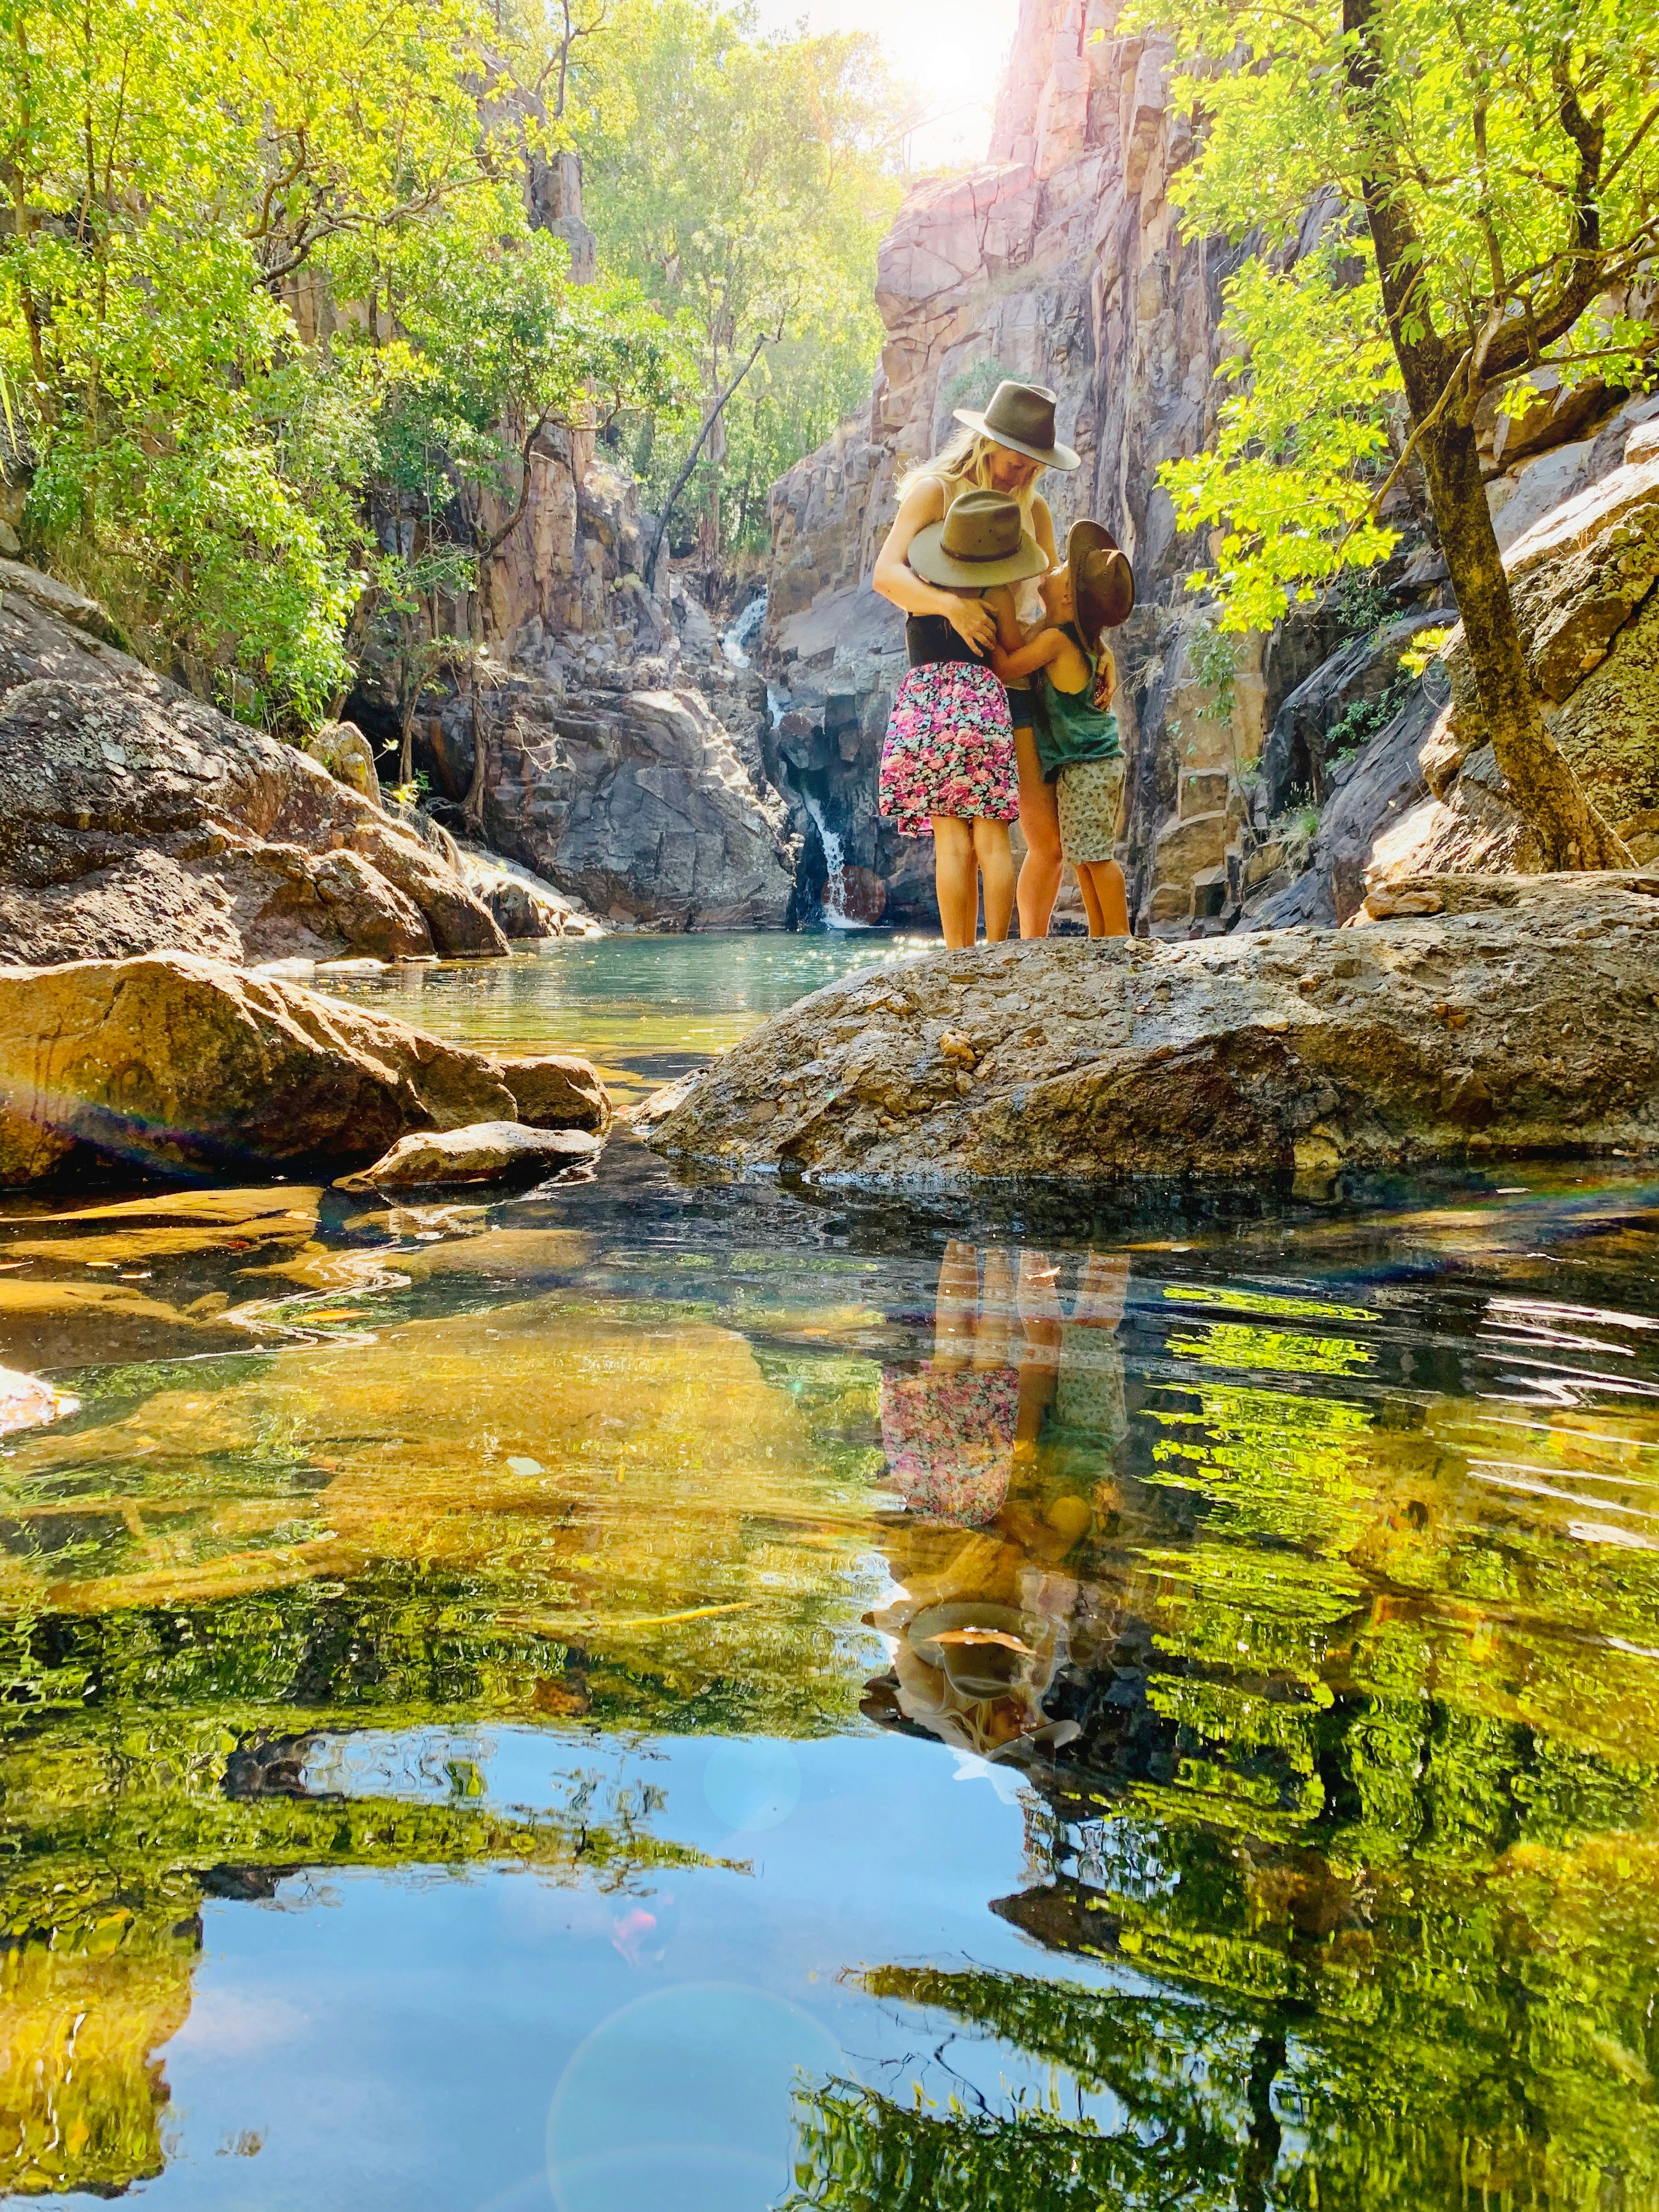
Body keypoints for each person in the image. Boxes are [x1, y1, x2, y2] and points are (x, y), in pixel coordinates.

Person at [871, 380, 1081, 939]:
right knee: (963, 837)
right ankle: (963, 964)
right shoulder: (936, 493)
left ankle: (1019, 961)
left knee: (1045, 842)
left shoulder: (1033, 511)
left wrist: (1091, 647)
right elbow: (886, 574)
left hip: (1013, 684)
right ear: (987, 443)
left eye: (1032, 469)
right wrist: (952, 607)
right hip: (961, 679)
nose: (1020, 478)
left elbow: (1057, 604)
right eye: (1014, 465)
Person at [874, 489, 1047, 948]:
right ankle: (996, 950)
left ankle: (956, 955)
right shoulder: (996, 595)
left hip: (925, 712)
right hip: (981, 710)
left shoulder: (919, 595)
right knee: (992, 840)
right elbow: (1011, 656)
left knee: (950, 842)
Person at [991, 518, 1136, 938]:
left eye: (1062, 569)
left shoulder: (1056, 642)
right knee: (1084, 856)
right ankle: (1099, 935)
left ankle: (1121, 937)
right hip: (1089, 765)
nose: (1052, 567)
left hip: (1088, 766)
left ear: (1069, 598)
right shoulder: (1066, 635)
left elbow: (1006, 666)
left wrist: (997, 602)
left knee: (1097, 858)